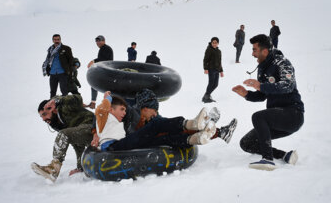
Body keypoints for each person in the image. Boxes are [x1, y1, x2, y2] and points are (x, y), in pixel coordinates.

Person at [232, 34, 304, 171]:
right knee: (246, 143)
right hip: (276, 118)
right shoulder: (262, 68)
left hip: (293, 114)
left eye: (254, 50)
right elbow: (262, 95)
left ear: (264, 51)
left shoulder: (282, 63)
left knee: (258, 116)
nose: (253, 54)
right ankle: (285, 156)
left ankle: (267, 160)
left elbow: (287, 85)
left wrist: (260, 86)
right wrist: (246, 94)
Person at [91, 89, 238, 149]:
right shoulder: (128, 112)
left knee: (168, 133)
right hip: (128, 144)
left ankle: (215, 131)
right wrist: (95, 133)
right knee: (159, 126)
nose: (155, 113)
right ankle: (200, 126)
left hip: (141, 142)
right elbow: (101, 117)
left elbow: (167, 125)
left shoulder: (153, 118)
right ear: (144, 109)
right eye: (153, 110)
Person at [31, 94, 96, 182]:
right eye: (41, 116)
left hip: (93, 128)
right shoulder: (57, 123)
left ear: (52, 109)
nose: (43, 119)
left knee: (64, 134)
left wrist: (57, 100)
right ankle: (53, 169)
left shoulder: (64, 108)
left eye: (45, 114)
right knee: (66, 135)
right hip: (87, 134)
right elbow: (78, 145)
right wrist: (80, 167)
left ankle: (53, 169)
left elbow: (77, 98)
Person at [42, 34, 74, 98]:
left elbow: (71, 61)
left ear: (60, 40)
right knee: (52, 92)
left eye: (58, 39)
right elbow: (48, 60)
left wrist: (69, 72)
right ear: (53, 40)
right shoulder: (50, 50)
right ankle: (51, 106)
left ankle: (65, 106)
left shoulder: (66, 48)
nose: (56, 41)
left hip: (62, 73)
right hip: (53, 73)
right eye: (55, 39)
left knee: (64, 91)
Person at [86, 35, 113, 109]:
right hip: (104, 72)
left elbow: (102, 59)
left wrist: (93, 61)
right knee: (94, 84)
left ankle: (109, 105)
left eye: (99, 40)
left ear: (104, 41)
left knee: (107, 89)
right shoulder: (103, 49)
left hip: (107, 73)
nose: (98, 42)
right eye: (97, 41)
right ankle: (93, 103)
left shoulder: (106, 48)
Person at [202, 37, 224, 103]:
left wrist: (221, 71)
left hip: (217, 69)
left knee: (216, 84)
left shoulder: (219, 51)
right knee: (211, 83)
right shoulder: (209, 50)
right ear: (211, 43)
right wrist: (205, 68)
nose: (214, 44)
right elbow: (205, 60)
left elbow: (220, 61)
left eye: (216, 43)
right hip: (211, 69)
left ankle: (206, 96)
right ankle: (206, 97)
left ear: (218, 43)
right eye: (213, 43)